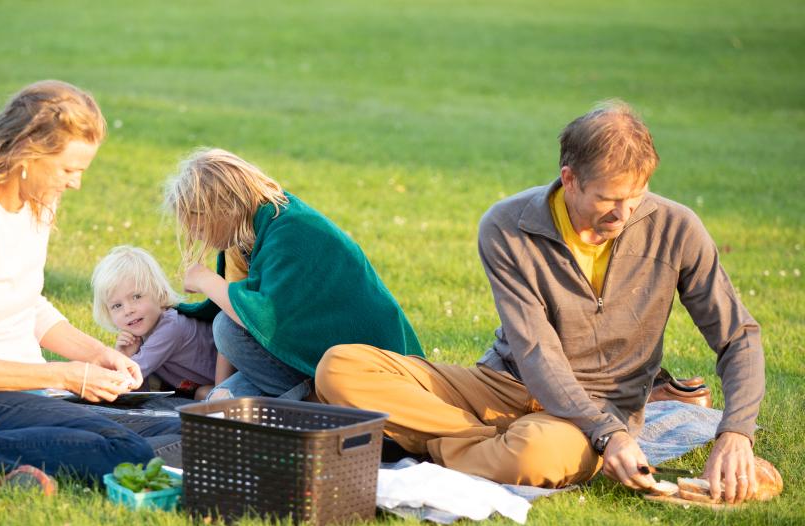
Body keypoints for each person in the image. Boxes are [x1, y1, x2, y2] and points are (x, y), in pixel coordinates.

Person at [316, 101, 765, 503]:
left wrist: (736, 433)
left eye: (636, 197)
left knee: (537, 453)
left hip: (592, 417)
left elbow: (738, 337)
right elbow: (535, 352)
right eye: (608, 199)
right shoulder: (508, 225)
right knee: (339, 367)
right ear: (569, 179)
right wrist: (609, 439)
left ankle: (434, 442)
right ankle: (482, 448)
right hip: (502, 386)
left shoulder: (677, 229)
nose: (624, 214)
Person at [0, 80, 179, 497]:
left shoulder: (35, 202)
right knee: (123, 449)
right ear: (27, 154)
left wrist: (98, 355)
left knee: (185, 433)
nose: (75, 183)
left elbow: (26, 304)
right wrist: (68, 375)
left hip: (27, 391)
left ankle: (15, 462)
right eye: (68, 170)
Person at [164, 148, 424, 401]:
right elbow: (235, 309)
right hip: (309, 362)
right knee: (222, 401)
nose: (193, 231)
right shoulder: (243, 238)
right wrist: (215, 391)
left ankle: (318, 403)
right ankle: (292, 401)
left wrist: (205, 280)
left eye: (196, 220)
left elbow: (259, 319)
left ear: (225, 207)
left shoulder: (290, 230)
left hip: (363, 365)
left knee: (226, 328)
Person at [92, 245, 217, 400]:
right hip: (200, 386)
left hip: (235, 377)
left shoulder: (170, 328)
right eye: (117, 306)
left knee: (204, 395)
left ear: (159, 293)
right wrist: (124, 355)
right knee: (199, 394)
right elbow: (138, 391)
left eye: (136, 297)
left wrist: (118, 363)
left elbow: (128, 378)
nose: (128, 310)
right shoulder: (139, 333)